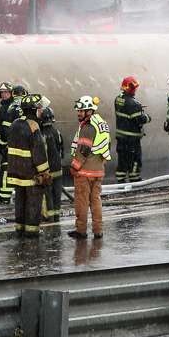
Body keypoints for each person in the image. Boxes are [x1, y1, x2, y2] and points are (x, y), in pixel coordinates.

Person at [6, 94, 51, 237]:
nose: (42, 111)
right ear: (33, 110)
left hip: (16, 173)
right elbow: (38, 152)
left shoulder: (15, 124)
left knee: (20, 201)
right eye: (40, 108)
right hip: (31, 174)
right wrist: (44, 172)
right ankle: (32, 232)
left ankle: (20, 228)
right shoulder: (33, 126)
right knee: (33, 202)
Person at [68, 95, 111, 240]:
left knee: (82, 202)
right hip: (98, 170)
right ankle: (98, 231)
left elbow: (83, 150)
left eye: (82, 111)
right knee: (96, 201)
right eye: (78, 111)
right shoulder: (101, 123)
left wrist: (75, 167)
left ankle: (81, 230)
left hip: (85, 171)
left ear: (90, 111)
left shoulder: (88, 127)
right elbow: (107, 145)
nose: (79, 113)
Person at [114, 76, 151, 183]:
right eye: (134, 88)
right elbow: (139, 119)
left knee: (122, 159)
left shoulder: (118, 99)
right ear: (130, 88)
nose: (135, 90)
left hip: (121, 137)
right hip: (132, 138)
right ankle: (134, 179)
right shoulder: (134, 104)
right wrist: (147, 117)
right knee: (135, 158)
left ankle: (120, 179)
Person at [39, 103, 64, 223]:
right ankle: (56, 217)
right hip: (58, 169)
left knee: (48, 195)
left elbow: (41, 153)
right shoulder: (57, 132)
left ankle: (50, 217)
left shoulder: (41, 134)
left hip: (47, 170)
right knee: (57, 194)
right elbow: (61, 150)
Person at [0, 81, 15, 204]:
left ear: (11, 93)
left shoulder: (9, 108)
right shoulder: (5, 107)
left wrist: (3, 144)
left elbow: (6, 129)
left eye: (6, 92)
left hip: (8, 145)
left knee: (5, 170)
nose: (4, 95)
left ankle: (4, 197)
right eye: (2, 93)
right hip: (6, 144)